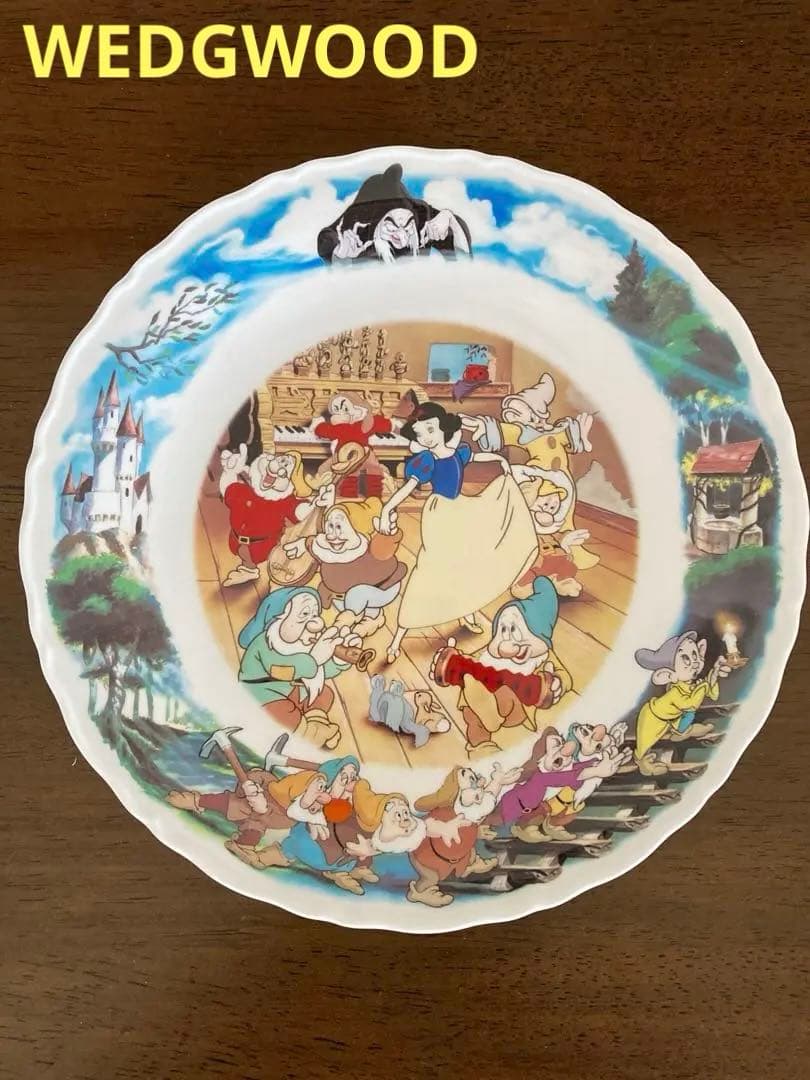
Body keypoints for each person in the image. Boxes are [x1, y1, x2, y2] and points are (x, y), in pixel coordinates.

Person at [378, 402, 537, 662]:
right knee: (431, 568)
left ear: (443, 427)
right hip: (439, 514)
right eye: (420, 434)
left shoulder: (457, 452)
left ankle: (465, 610)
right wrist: (387, 508)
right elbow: (408, 488)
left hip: (460, 509)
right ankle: (399, 635)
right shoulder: (426, 461)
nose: (427, 437)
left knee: (466, 561)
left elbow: (474, 457)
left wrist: (499, 459)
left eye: (430, 429)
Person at [462, 373, 598, 574]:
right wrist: (482, 426)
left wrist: (581, 435)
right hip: (538, 480)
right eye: (510, 413)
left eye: (518, 412)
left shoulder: (554, 432)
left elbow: (571, 437)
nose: (511, 417)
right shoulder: (525, 434)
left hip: (561, 484)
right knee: (530, 517)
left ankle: (571, 552)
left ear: (536, 414)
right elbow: (507, 431)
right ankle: (524, 553)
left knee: (564, 520)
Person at [430, 576, 573, 753]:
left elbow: (565, 677)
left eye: (514, 630)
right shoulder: (489, 655)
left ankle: (488, 709)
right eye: (502, 630)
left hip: (513, 703)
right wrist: (451, 663)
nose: (506, 638)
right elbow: (470, 662)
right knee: (474, 711)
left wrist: (559, 682)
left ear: (539, 636)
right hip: (476, 701)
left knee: (503, 691)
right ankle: (482, 746)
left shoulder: (542, 657)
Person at [237, 586, 362, 750]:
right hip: (264, 693)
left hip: (291, 689)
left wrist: (340, 659)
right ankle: (308, 734)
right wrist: (315, 658)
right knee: (281, 710)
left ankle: (317, 723)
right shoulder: (265, 644)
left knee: (325, 693)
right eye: (304, 614)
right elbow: (283, 672)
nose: (315, 624)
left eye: (314, 615)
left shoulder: (302, 643)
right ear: (278, 619)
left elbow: (321, 670)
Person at [283, 498, 406, 637]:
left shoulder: (369, 549)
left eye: (340, 527)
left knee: (357, 594)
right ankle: (371, 615)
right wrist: (301, 544)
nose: (334, 535)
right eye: (331, 526)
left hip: (382, 587)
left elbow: (383, 548)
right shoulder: (325, 548)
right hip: (343, 595)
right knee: (342, 600)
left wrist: (388, 535)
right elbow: (313, 544)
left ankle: (361, 621)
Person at [166, 767, 331, 870]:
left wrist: (263, 810)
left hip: (256, 823)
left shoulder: (293, 815)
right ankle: (195, 801)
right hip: (239, 805)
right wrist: (250, 787)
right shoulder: (271, 783)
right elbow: (254, 776)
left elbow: (272, 821)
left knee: (253, 833)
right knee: (218, 801)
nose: (323, 797)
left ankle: (242, 845)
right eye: (319, 789)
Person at [219, 443, 332, 587]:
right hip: (236, 539)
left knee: (254, 557)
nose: (281, 467)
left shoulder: (284, 501)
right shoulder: (245, 490)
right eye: (280, 460)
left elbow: (298, 511)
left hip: (261, 545)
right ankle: (248, 569)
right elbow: (228, 489)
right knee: (243, 553)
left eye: (287, 467)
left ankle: (251, 569)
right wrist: (230, 471)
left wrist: (315, 504)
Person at [633, 631, 730, 775]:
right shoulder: (675, 692)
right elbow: (690, 703)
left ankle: (683, 731)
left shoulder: (684, 685)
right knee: (644, 745)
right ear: (667, 674)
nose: (695, 662)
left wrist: (714, 673)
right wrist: (703, 687)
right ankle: (645, 765)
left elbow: (711, 693)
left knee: (686, 716)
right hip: (652, 717)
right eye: (686, 659)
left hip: (671, 717)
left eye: (695, 655)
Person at [312, 392, 394, 498]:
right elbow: (385, 425)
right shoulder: (361, 424)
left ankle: (353, 493)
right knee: (371, 469)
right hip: (360, 454)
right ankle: (372, 493)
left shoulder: (344, 427)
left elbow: (321, 430)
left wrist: (318, 421)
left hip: (352, 456)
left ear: (358, 408)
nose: (341, 413)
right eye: (336, 410)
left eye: (345, 409)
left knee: (355, 470)